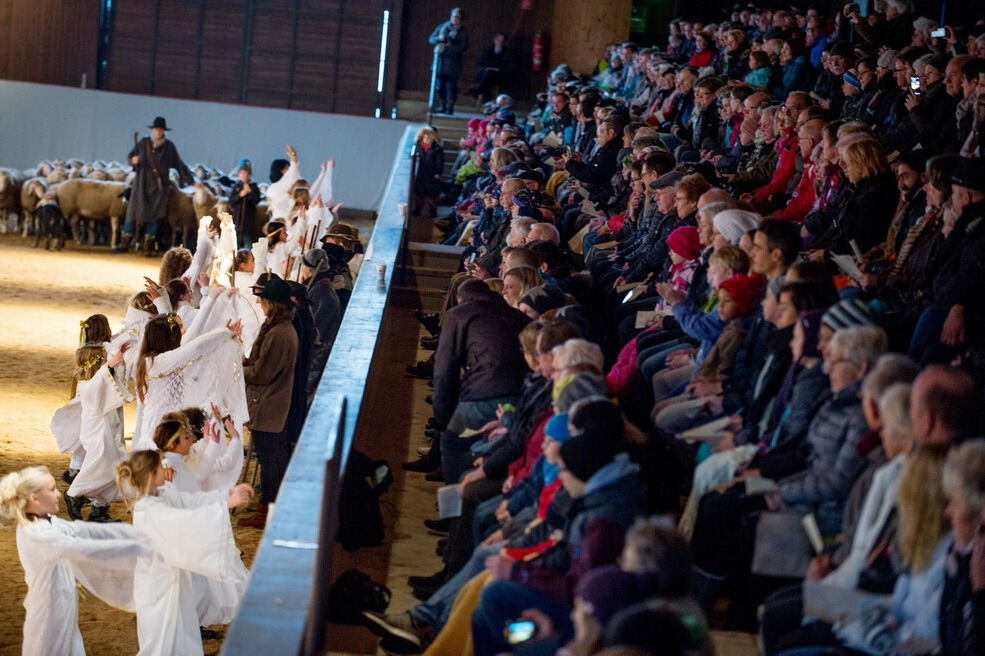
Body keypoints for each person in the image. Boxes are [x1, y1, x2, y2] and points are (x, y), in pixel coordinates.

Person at [116, 450, 253, 656]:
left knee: (180, 631)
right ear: (151, 475)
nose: (166, 469)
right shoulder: (149, 509)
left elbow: (192, 501)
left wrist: (227, 494)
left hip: (172, 580)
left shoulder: (161, 495)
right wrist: (226, 505)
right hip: (159, 586)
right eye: (161, 467)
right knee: (163, 639)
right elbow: (186, 522)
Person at [1, 466, 147, 656]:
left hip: (61, 606)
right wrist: (137, 548)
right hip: (48, 615)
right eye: (52, 489)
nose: (58, 494)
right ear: (34, 499)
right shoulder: (37, 534)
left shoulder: (48, 522)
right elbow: (83, 548)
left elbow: (84, 530)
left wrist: (132, 533)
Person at [240, 278, 298, 528]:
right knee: (270, 458)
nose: (260, 304)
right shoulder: (278, 330)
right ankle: (270, 507)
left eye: (263, 301)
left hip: (269, 404)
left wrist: (238, 369)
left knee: (268, 460)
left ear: (272, 304)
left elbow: (262, 373)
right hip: (270, 402)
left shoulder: (279, 334)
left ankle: (267, 510)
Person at [119, 116, 195, 255]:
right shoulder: (143, 143)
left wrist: (191, 180)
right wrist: (133, 160)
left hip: (159, 186)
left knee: (155, 214)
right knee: (133, 211)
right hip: (141, 184)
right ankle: (125, 242)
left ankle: (148, 245)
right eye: (156, 129)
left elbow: (179, 164)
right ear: (152, 129)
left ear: (164, 131)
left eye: (160, 129)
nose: (158, 131)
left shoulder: (169, 146)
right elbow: (131, 156)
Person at [428, 8, 468, 115]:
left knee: (451, 86)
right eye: (453, 16)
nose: (455, 19)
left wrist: (449, 47)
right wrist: (439, 38)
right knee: (440, 85)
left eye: (457, 17)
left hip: (453, 63)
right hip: (440, 61)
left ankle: (450, 108)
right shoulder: (443, 27)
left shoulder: (462, 32)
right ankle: (442, 106)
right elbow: (431, 39)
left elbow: (462, 47)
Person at [473, 33, 514, 103]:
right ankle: (486, 102)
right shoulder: (488, 51)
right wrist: (485, 69)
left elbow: (511, 67)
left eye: (502, 41)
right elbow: (480, 63)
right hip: (486, 75)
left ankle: (478, 92)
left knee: (488, 79)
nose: (500, 42)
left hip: (501, 76)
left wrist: (499, 69)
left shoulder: (508, 53)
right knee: (488, 79)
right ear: (494, 40)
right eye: (498, 40)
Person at [228, 161, 261, 249]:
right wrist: (240, 195)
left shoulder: (254, 186)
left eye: (245, 173)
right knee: (234, 246)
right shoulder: (236, 186)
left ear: (249, 175)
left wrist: (249, 193)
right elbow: (231, 200)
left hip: (248, 223)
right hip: (236, 221)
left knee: (248, 245)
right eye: (241, 173)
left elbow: (256, 200)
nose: (243, 175)